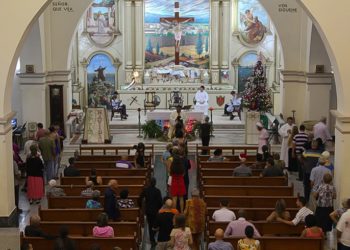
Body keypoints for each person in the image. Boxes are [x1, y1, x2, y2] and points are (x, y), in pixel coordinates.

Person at [138, 177, 163, 248]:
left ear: (149, 183)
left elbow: (139, 199)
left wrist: (141, 206)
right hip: (155, 211)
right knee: (155, 224)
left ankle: (152, 239)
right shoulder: (157, 191)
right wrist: (158, 208)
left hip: (148, 211)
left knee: (150, 225)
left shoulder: (146, 190)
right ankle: (153, 238)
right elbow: (160, 202)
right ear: (155, 183)